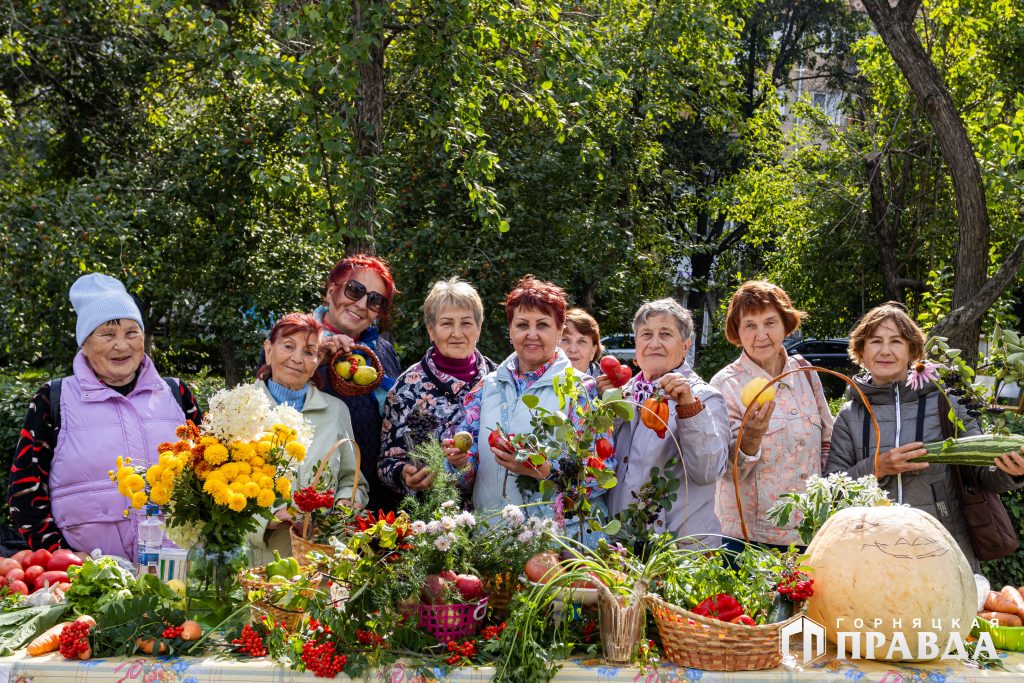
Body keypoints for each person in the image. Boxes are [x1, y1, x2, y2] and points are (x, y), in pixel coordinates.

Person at [7, 274, 202, 558]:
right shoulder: (53, 399)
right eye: (107, 335)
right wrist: (62, 557)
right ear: (84, 344)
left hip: (176, 571)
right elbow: (25, 489)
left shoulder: (177, 393)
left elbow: (209, 473)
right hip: (91, 580)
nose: (121, 346)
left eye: (131, 332)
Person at [825, 302, 1024, 570]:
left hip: (945, 547)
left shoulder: (946, 402)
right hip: (875, 554)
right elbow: (831, 491)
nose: (885, 350)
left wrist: (1013, 472)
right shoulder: (850, 415)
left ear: (912, 351)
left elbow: (982, 476)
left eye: (896, 341)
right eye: (875, 341)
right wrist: (877, 467)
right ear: (861, 350)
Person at [444, 276, 610, 539]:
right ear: (510, 331)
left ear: (559, 330)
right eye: (522, 325)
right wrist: (460, 462)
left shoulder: (581, 391)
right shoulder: (487, 388)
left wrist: (544, 470)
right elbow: (466, 476)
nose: (531, 334)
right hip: (491, 539)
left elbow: (601, 474)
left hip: (554, 543)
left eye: (542, 325)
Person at [710, 281, 834, 552]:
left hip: (808, 533)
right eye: (750, 325)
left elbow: (827, 442)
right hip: (749, 540)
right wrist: (752, 435)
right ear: (737, 332)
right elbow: (726, 472)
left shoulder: (804, 372)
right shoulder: (725, 385)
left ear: (785, 324)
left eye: (770, 323)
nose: (761, 334)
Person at [602, 299, 729, 544]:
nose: (654, 343)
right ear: (637, 346)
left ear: (685, 346)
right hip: (621, 544)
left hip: (679, 549)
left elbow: (708, 471)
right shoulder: (623, 394)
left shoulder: (703, 396)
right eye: (646, 334)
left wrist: (688, 407)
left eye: (665, 334)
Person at [250, 313, 368, 565]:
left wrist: (346, 506)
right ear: (269, 350)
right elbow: (216, 494)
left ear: (317, 362)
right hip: (259, 562)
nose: (296, 359)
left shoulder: (335, 411)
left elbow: (353, 479)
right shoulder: (240, 408)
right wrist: (266, 520)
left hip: (320, 561)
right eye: (288, 346)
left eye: (309, 351)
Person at [378, 278, 496, 496]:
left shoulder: (497, 381)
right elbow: (387, 461)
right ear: (431, 330)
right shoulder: (406, 388)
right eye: (447, 323)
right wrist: (403, 473)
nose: (457, 333)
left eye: (466, 323)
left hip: (493, 515)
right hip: (430, 518)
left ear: (478, 328)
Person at [308, 254, 403, 514]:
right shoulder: (296, 341)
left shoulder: (382, 352)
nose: (362, 304)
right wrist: (317, 355)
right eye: (355, 290)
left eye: (375, 300)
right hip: (318, 496)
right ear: (330, 292)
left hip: (381, 497)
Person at [559, 308, 604, 376]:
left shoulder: (611, 384)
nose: (573, 349)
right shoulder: (538, 380)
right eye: (565, 340)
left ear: (593, 351)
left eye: (582, 341)